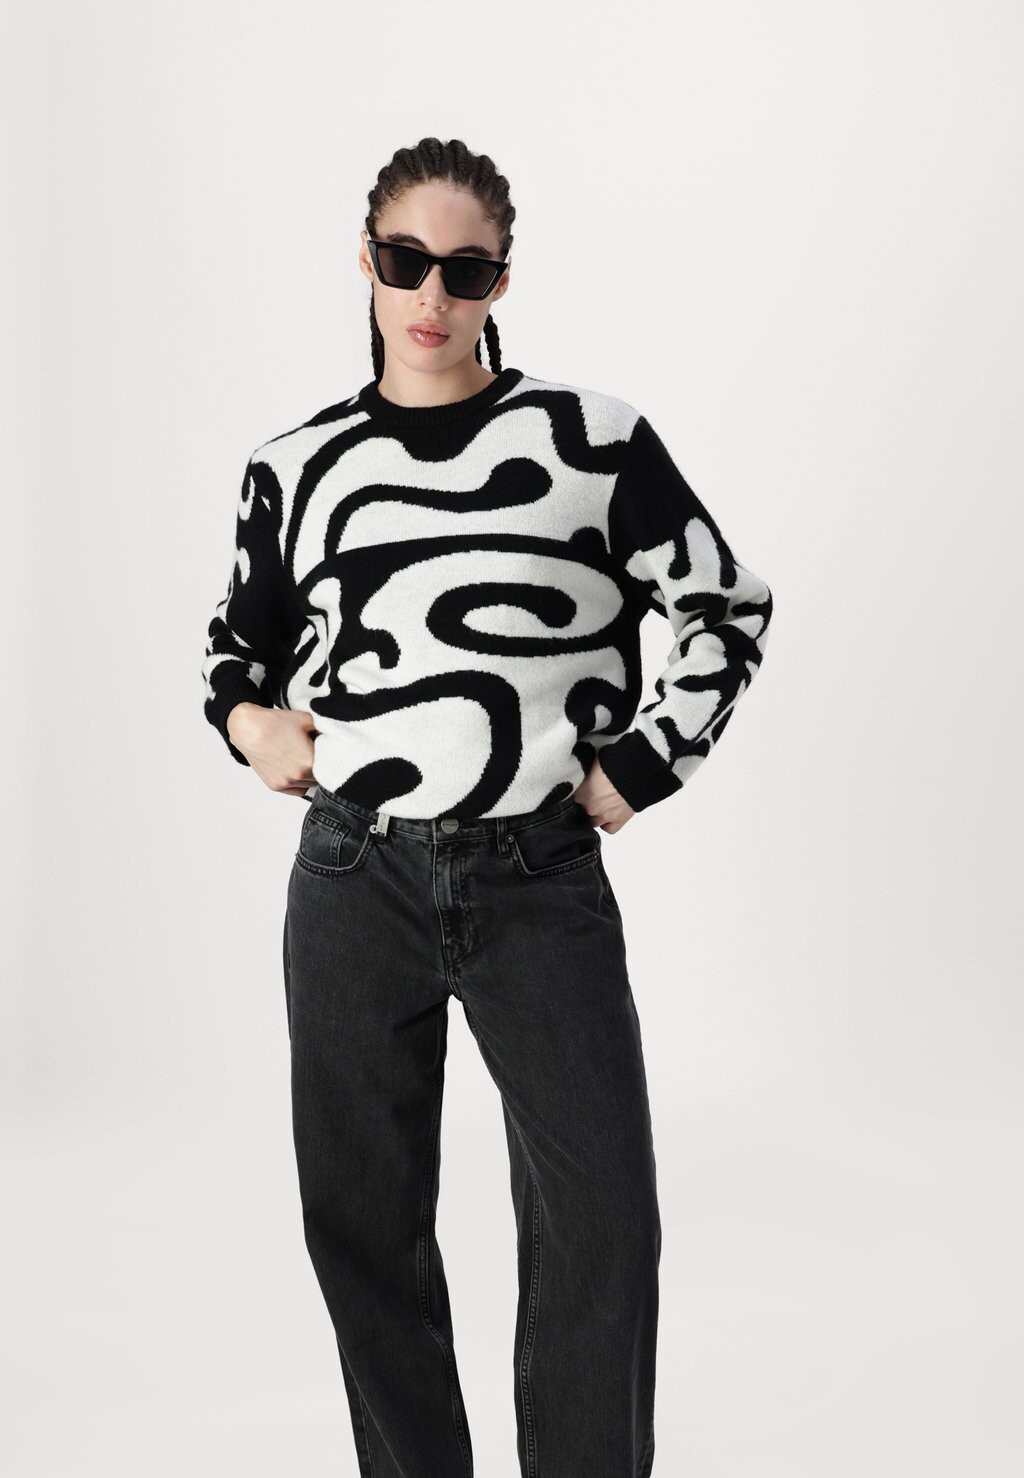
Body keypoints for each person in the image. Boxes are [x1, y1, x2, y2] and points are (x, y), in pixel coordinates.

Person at [201, 135, 773, 1478]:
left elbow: (724, 605)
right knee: (363, 1219)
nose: (432, 295)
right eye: (407, 261)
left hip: (538, 875)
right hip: (356, 878)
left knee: (604, 1217)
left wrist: (640, 766)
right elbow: (236, 648)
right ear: (366, 260)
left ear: (501, 279)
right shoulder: (298, 465)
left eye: (466, 270)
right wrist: (252, 724)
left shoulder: (591, 443)